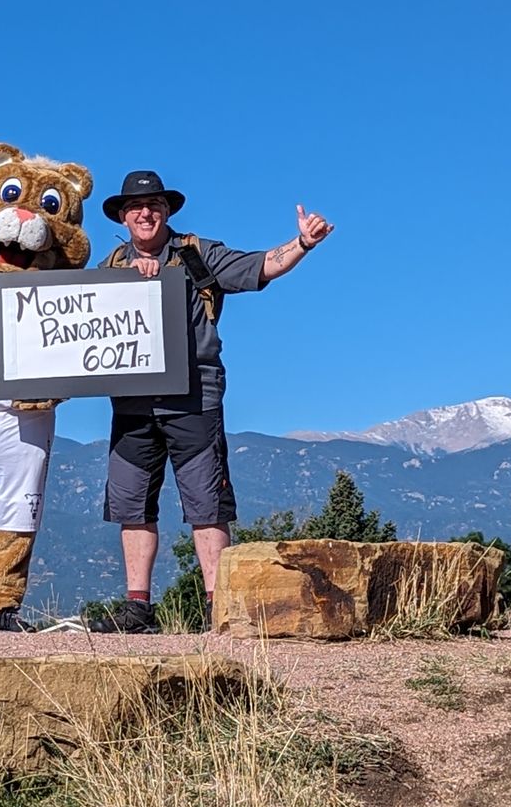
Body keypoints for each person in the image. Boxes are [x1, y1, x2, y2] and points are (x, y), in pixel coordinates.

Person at [89, 169, 335, 633]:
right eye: (136, 208)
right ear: (122, 217)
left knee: (207, 504)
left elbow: (262, 266)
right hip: (131, 403)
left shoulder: (198, 255)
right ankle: (138, 608)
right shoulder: (107, 271)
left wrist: (302, 243)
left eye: (155, 206)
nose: (146, 213)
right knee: (132, 505)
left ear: (167, 212)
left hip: (194, 396)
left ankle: (218, 608)